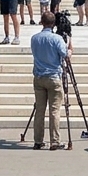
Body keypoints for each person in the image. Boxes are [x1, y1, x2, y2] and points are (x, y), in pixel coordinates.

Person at [29, 12, 70, 150]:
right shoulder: (57, 39)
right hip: (53, 77)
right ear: (54, 24)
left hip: (39, 77)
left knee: (39, 110)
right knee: (54, 110)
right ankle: (54, 141)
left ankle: (38, 140)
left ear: (42, 22)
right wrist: (69, 46)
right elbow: (65, 56)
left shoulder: (34, 38)